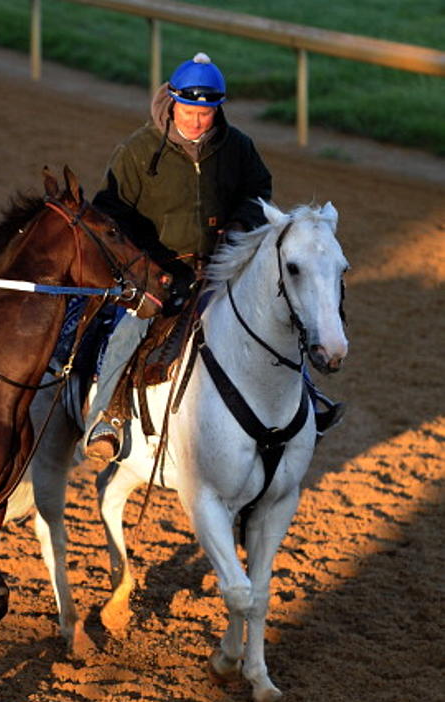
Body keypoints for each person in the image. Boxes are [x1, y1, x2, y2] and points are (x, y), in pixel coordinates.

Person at [85, 52, 343, 460]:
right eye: (188, 110)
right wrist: (143, 263)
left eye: (205, 113)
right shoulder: (137, 150)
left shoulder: (238, 147)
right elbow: (110, 211)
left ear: (217, 109)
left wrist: (239, 225)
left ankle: (307, 400)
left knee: (278, 315)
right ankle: (106, 417)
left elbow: (258, 190)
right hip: (157, 273)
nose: (195, 120)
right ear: (172, 102)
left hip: (221, 266)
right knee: (131, 329)